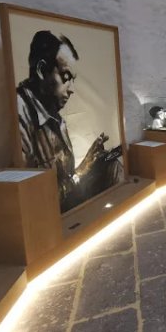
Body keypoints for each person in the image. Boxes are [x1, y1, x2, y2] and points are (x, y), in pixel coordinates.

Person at [16, 30, 123, 213]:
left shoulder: (56, 119)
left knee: (110, 164)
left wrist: (87, 163)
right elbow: (37, 201)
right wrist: (79, 174)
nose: (72, 89)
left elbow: (68, 179)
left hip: (65, 201)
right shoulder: (21, 114)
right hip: (49, 215)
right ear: (41, 70)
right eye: (66, 77)